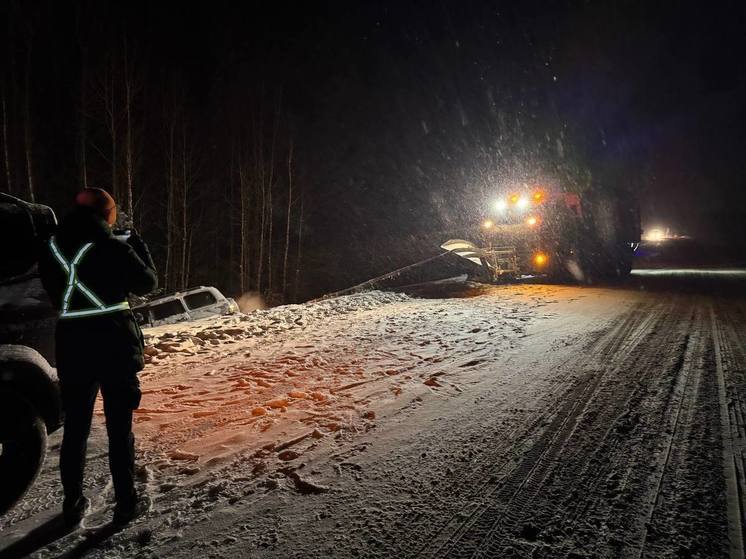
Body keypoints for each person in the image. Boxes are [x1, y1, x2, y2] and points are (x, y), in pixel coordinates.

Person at [39, 187, 157, 526]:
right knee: (120, 429)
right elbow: (148, 283)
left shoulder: (50, 250)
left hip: (73, 346)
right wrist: (135, 244)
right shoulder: (112, 247)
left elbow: (53, 294)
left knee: (76, 428)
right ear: (107, 214)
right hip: (114, 344)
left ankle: (72, 500)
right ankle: (125, 504)